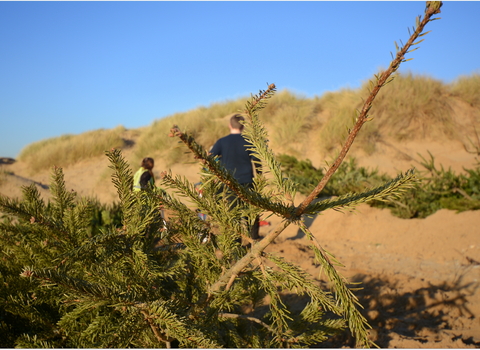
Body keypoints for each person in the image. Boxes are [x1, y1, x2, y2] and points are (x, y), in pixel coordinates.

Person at [210, 114, 262, 240]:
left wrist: (216, 173)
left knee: (234, 213)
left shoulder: (222, 142)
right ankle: (254, 240)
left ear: (230, 125)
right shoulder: (248, 141)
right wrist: (259, 177)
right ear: (243, 126)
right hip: (247, 181)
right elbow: (257, 160)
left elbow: (210, 158)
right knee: (251, 212)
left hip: (229, 183)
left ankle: (236, 243)